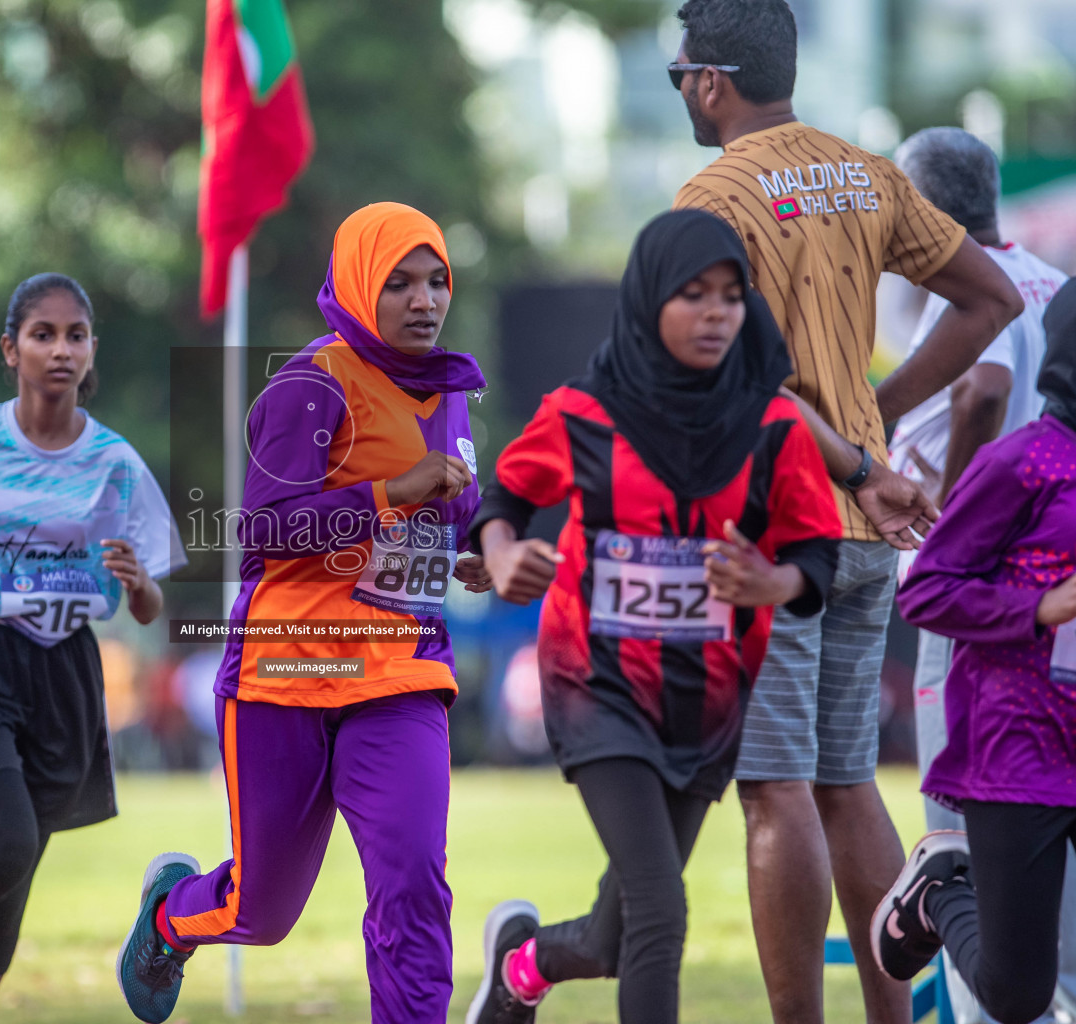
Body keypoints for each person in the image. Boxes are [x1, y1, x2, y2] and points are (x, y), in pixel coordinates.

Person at [667, 2, 1025, 1020]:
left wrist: (863, 449)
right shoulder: (867, 171)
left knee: (774, 788)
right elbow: (989, 297)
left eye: (680, 73)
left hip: (778, 530)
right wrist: (879, 423)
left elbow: (736, 382)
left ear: (711, 80)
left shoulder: (711, 198)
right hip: (867, 537)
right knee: (844, 780)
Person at [114, 202, 492, 1024]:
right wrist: (393, 493)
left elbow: (436, 516)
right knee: (263, 911)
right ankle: (173, 918)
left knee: (413, 885)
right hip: (286, 674)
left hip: (401, 675)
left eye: (437, 282)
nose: (424, 301)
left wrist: (468, 552)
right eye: (399, 284)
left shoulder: (451, 393)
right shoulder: (311, 385)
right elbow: (262, 529)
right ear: (358, 286)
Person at [462, 210, 842, 1024]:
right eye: (692, 295)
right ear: (646, 302)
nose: (715, 314)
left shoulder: (773, 427)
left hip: (704, 703)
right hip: (594, 685)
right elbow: (504, 498)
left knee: (617, 933)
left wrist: (770, 584)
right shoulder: (581, 413)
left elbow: (818, 561)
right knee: (661, 909)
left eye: (731, 297)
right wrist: (499, 556)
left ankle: (523, 967)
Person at [0, 272, 184, 1024]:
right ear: (10, 348)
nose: (61, 350)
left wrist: (136, 583)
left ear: (92, 353)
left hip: (68, 671)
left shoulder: (117, 463)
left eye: (76, 336)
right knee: (7, 841)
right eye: (43, 334)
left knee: (13, 883)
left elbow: (149, 605)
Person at [885, 127, 1074, 1024]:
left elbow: (985, 387)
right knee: (1014, 849)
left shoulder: (966, 293)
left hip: (988, 587)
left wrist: (954, 506)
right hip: (1028, 614)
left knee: (966, 827)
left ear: (924, 212)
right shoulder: (1050, 278)